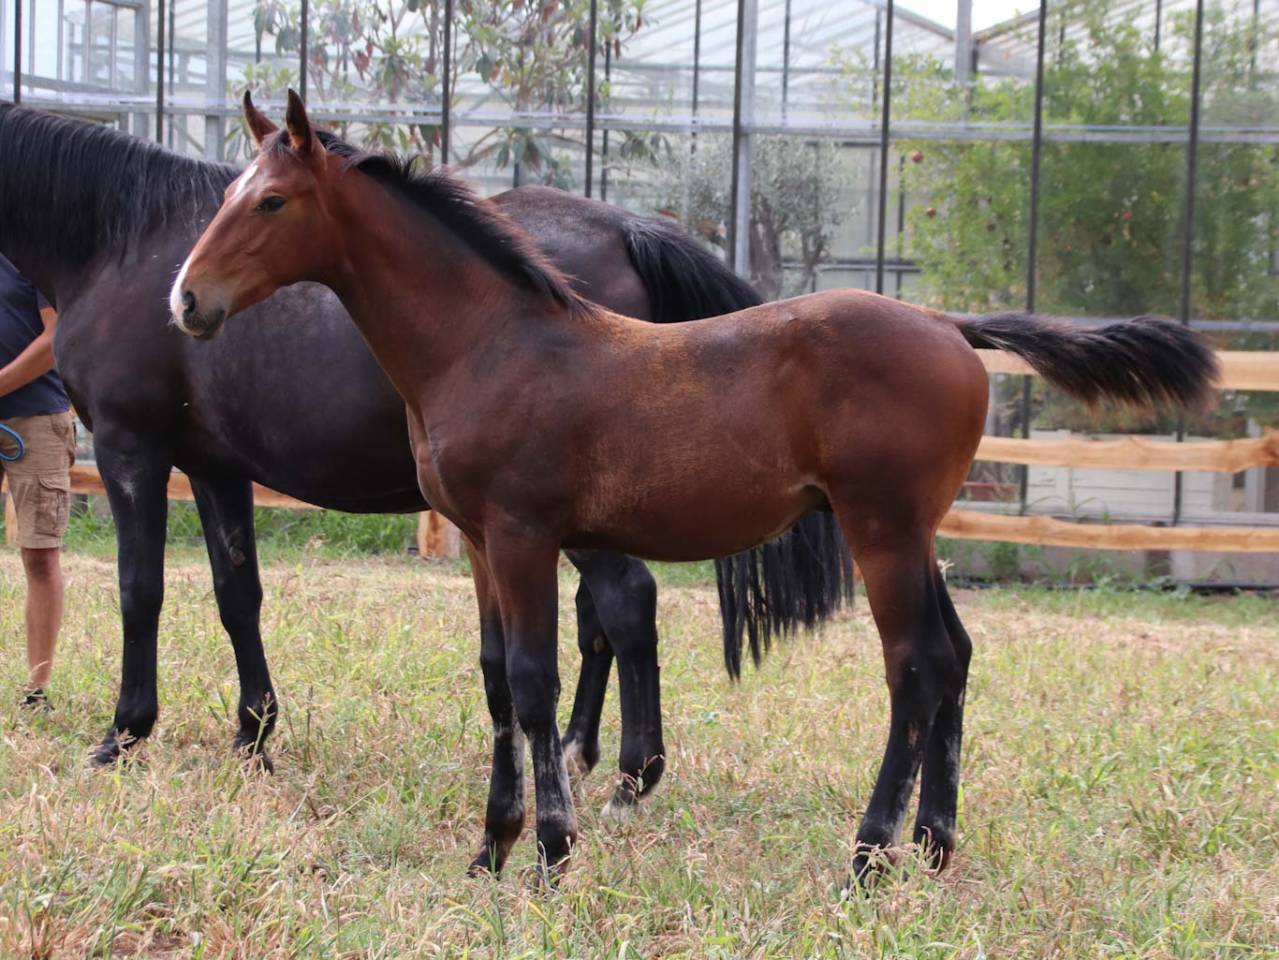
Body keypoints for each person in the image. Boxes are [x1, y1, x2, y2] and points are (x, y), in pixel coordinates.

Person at [0, 255, 74, 708]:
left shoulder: (28, 256)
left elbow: (55, 338)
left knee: (40, 555)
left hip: (37, 419)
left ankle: (36, 687)